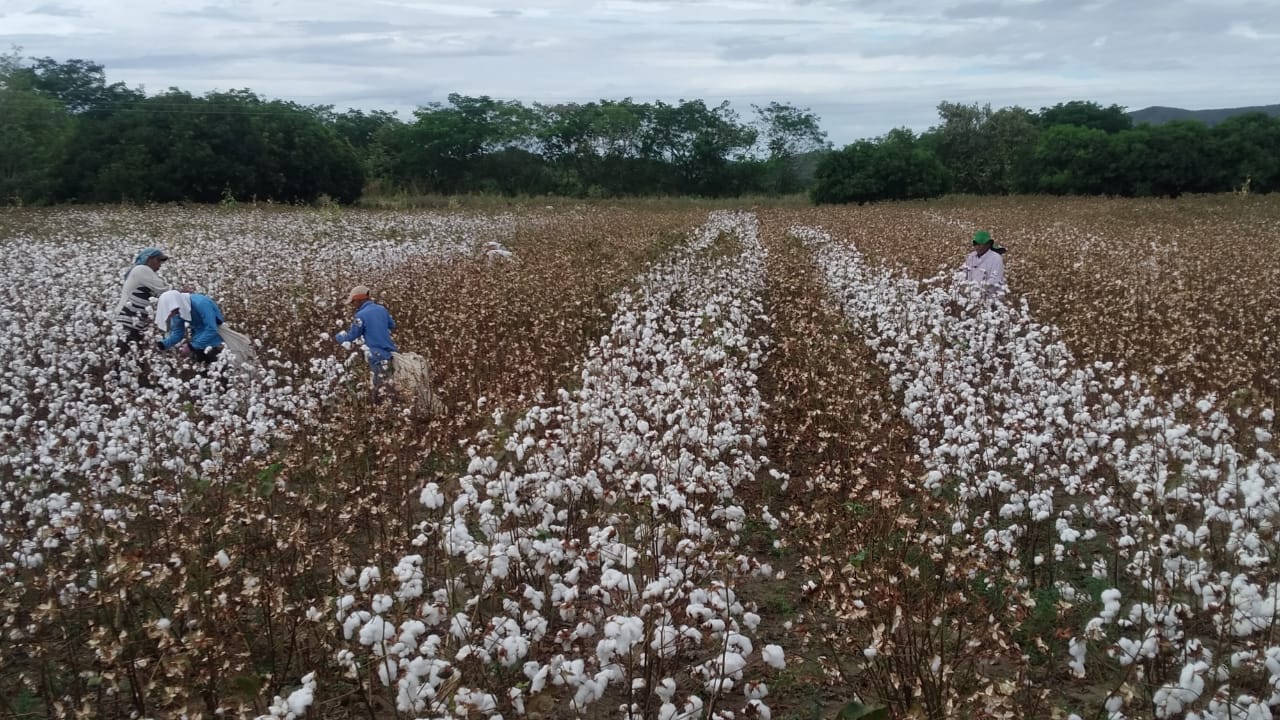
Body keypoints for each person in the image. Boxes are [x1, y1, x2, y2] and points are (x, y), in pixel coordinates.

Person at [335, 285, 398, 403]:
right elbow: (392, 325)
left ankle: (382, 414)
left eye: (354, 302)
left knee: (379, 389)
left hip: (375, 355)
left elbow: (352, 335)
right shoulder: (382, 309)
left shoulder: (361, 315)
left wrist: (339, 338)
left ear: (359, 299)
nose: (353, 305)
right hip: (390, 353)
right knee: (390, 384)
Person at [115, 247, 171, 353]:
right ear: (149, 259)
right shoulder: (141, 269)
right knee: (127, 356)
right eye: (158, 260)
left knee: (130, 356)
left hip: (132, 322)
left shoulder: (140, 271)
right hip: (129, 321)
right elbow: (164, 289)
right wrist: (184, 292)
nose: (160, 265)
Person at [155, 290, 225, 364]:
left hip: (217, 337)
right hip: (199, 338)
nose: (171, 314)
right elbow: (178, 333)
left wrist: (191, 347)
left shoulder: (201, 303)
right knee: (202, 364)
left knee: (217, 363)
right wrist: (164, 344)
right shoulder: (177, 310)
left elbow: (212, 328)